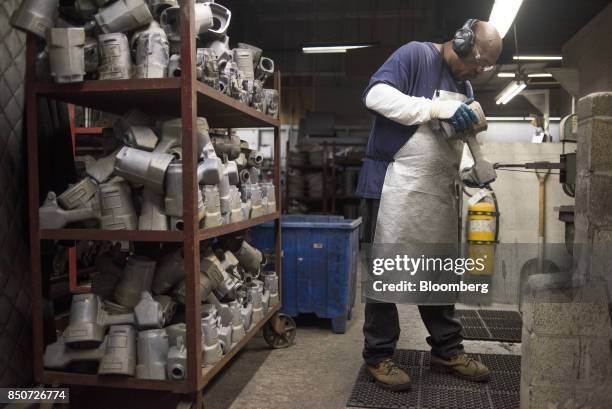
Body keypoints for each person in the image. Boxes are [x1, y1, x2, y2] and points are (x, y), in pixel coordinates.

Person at [357, 20, 503, 391]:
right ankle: (379, 356)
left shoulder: (465, 86)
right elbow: (375, 96)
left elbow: (456, 140)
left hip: (435, 192)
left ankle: (446, 350)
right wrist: (435, 109)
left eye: (485, 68)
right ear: (462, 41)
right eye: (477, 63)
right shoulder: (416, 55)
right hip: (394, 184)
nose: (477, 72)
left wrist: (474, 168)